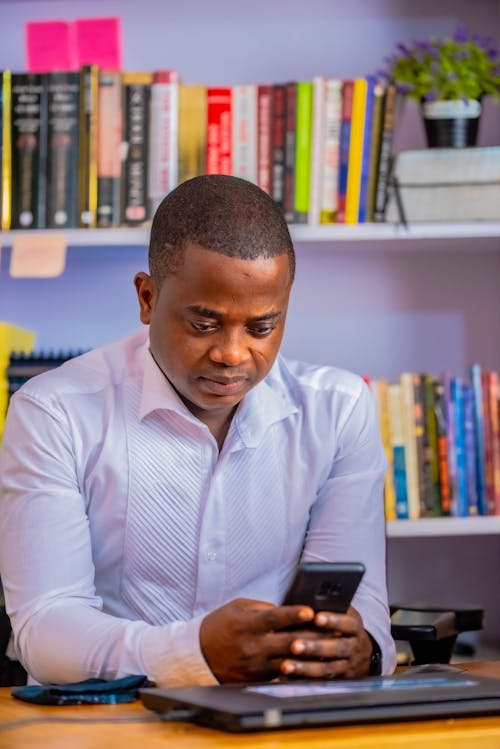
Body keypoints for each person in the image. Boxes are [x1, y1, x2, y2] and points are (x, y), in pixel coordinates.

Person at [0, 175, 396, 686]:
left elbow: (363, 606)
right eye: (204, 325)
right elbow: (45, 632)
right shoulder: (54, 412)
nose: (232, 354)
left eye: (262, 327)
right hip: (108, 725)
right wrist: (192, 653)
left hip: (277, 719)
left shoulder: (338, 410)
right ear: (147, 297)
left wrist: (359, 649)